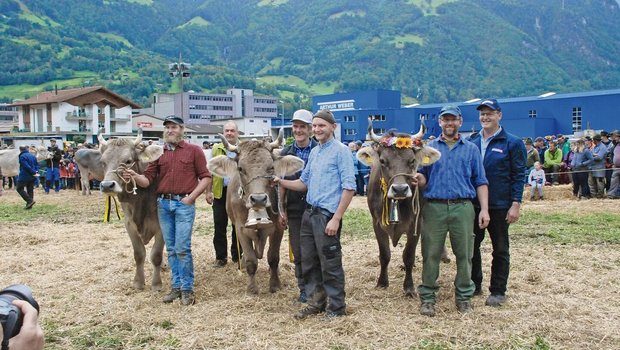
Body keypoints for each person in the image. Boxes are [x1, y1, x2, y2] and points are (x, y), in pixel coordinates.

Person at [274, 109, 356, 319]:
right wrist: (280, 181)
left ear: (333, 127)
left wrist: (336, 218)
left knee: (330, 263)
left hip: (326, 216)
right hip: (308, 215)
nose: (318, 129)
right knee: (309, 261)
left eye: (322, 125)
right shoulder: (315, 152)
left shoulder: (342, 151)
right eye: (316, 126)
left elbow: (349, 187)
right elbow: (303, 183)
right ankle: (316, 301)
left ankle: (336, 307)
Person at [122, 115, 211, 305]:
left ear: (182, 129)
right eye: (168, 127)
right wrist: (134, 175)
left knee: (182, 248)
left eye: (174, 127)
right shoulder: (158, 153)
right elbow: (147, 180)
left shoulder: (194, 151)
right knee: (170, 249)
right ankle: (176, 288)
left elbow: (205, 177)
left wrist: (192, 197)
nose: (170, 130)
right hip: (163, 205)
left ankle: (187, 289)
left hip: (183, 204)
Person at [416, 106, 490, 317]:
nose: (449, 123)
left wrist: (484, 209)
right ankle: (428, 298)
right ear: (439, 122)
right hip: (434, 207)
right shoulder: (428, 149)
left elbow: (481, 181)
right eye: (445, 119)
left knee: (465, 254)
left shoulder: (471, 149)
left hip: (463, 207)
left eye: (453, 120)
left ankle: (464, 297)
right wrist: (416, 179)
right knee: (430, 253)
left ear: (460, 121)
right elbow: (423, 178)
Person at [468, 99, 526, 307]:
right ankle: (475, 284)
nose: (485, 117)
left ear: (499, 115)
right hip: (474, 205)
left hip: (500, 205)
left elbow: (519, 175)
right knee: (471, 247)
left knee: (500, 249)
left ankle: (498, 290)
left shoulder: (512, 142)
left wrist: (515, 203)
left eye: (489, 113)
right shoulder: (472, 142)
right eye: (482, 114)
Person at [279, 109, 318, 303]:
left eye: (303, 126)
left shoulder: (320, 149)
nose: (299, 130)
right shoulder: (285, 153)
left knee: (318, 250)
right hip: (294, 210)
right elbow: (280, 186)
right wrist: (281, 210)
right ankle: (303, 289)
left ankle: (318, 288)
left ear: (310, 129)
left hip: (317, 208)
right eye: (295, 126)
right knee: (299, 252)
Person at [206, 121, 242, 267]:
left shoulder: (243, 148)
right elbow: (210, 171)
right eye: (226, 131)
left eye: (232, 131)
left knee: (238, 225)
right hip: (220, 192)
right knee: (219, 225)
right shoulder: (216, 148)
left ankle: (237, 256)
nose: (229, 133)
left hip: (238, 192)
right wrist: (208, 191)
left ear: (237, 132)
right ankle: (221, 258)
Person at [16, 145, 38, 209]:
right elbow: (36, 165)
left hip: (25, 175)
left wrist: (32, 172)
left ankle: (30, 201)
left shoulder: (22, 156)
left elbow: (26, 166)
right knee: (30, 189)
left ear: (20, 150)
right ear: (27, 149)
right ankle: (29, 205)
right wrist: (35, 172)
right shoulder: (32, 156)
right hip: (33, 175)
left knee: (19, 188)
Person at [589, 134, 607, 198]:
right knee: (591, 183)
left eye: (593, 140)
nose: (592, 141)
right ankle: (593, 196)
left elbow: (599, 157)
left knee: (600, 183)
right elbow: (591, 154)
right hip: (592, 168)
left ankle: (600, 196)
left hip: (599, 168)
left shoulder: (603, 147)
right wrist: (594, 155)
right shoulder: (594, 147)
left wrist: (592, 156)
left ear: (595, 140)